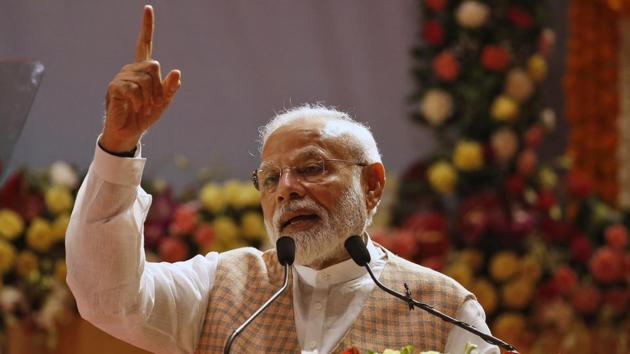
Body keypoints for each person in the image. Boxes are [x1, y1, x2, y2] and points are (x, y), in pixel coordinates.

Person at [66, 5, 500, 354]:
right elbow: (106, 300)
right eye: (270, 178)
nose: (287, 189)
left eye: (312, 169)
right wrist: (118, 146)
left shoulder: (444, 309)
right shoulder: (221, 285)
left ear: (372, 185)